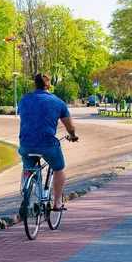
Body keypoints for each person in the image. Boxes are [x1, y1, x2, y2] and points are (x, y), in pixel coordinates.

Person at [18, 73, 79, 212]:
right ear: (49, 86)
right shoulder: (58, 102)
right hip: (48, 144)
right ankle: (57, 203)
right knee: (59, 168)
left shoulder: (23, 100)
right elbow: (70, 126)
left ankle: (28, 196)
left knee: (29, 169)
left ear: (35, 85)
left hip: (26, 144)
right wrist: (73, 136)